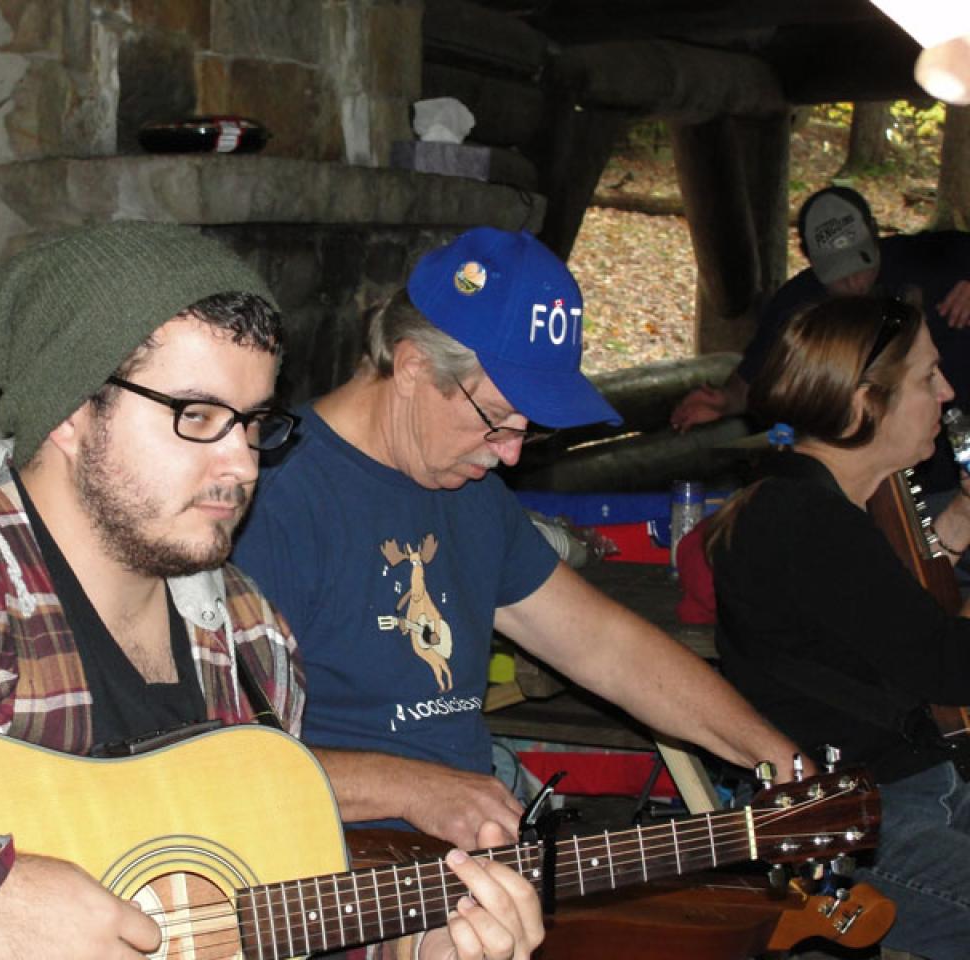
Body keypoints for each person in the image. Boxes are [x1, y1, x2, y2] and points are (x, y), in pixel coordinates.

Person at [0, 222, 542, 960]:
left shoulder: (252, 639)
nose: (242, 464)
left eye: (252, 423)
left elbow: (235, 915)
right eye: (196, 417)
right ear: (72, 408)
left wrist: (415, 946)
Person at [231, 226, 805, 850]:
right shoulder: (269, 502)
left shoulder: (466, 488)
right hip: (336, 872)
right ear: (414, 366)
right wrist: (411, 788)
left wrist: (779, 761)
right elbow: (213, 761)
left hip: (469, 854)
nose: (509, 455)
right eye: (498, 419)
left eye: (528, 430)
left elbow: (605, 646)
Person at [706, 294, 970, 960]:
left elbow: (893, 622)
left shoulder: (827, 501)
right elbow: (949, 668)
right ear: (862, 405)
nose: (947, 392)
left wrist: (960, 524)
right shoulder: (806, 522)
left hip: (915, 790)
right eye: (926, 377)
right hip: (858, 828)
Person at [670, 186, 970, 486]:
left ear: (873, 232)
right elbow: (757, 377)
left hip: (955, 457)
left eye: (862, 264)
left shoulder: (933, 257)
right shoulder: (797, 305)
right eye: (840, 273)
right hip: (869, 478)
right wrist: (723, 401)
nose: (855, 282)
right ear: (809, 258)